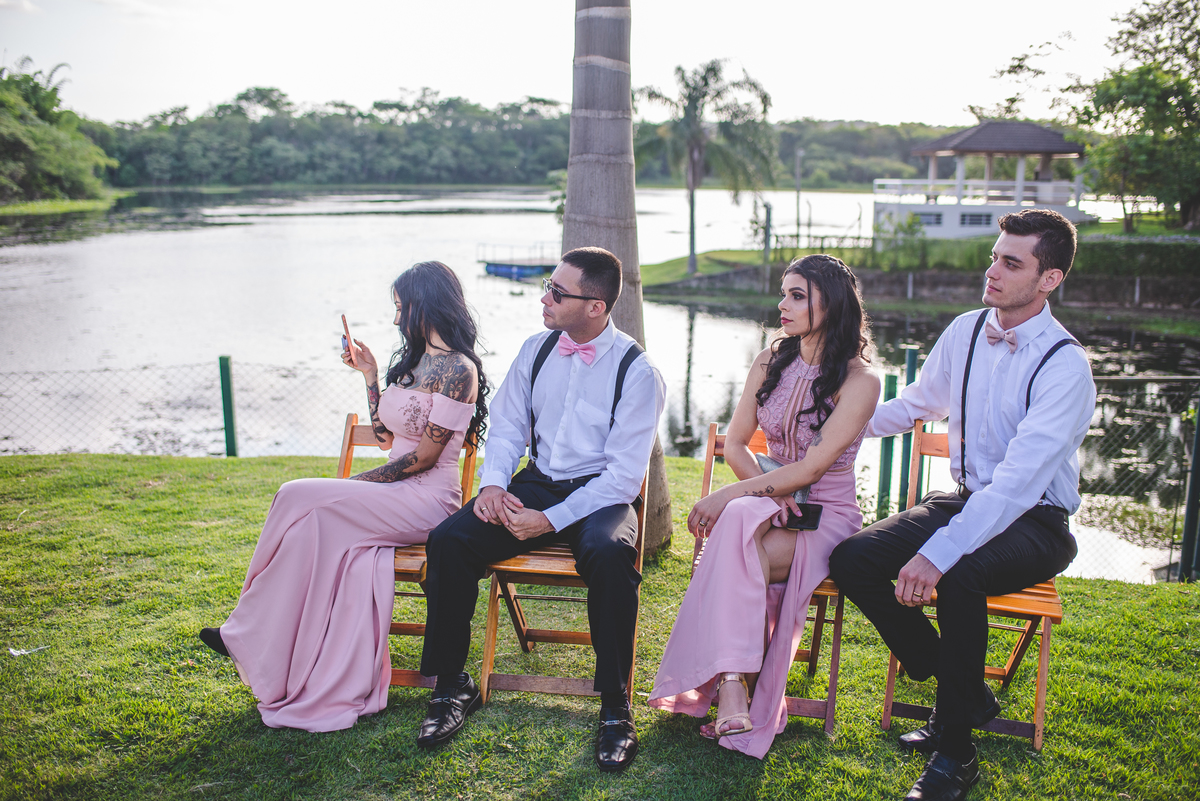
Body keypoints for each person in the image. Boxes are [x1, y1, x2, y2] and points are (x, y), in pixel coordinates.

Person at [829, 209, 1096, 801]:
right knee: (852, 559)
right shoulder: (967, 330)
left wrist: (937, 554)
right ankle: (964, 688)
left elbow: (1017, 487)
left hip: (1037, 522)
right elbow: (917, 404)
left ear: (1049, 279)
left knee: (960, 573)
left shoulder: (1065, 367)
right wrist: (836, 426)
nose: (992, 271)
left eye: (1011, 263)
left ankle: (955, 752)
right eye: (994, 256)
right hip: (967, 500)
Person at [198, 261, 488, 732]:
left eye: (401, 308)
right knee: (308, 523)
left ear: (425, 303)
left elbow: (424, 459)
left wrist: (355, 484)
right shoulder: (413, 364)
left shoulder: (459, 370)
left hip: (428, 501)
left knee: (295, 494)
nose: (396, 318)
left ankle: (245, 630)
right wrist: (370, 375)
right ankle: (250, 636)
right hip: (394, 492)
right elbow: (386, 437)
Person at [415, 246, 665, 771]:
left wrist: (549, 521)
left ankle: (615, 706)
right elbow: (508, 426)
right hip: (538, 481)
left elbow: (623, 477)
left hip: (601, 496)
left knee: (610, 555)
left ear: (595, 306)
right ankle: (453, 684)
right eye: (548, 286)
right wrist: (492, 486)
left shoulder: (638, 372)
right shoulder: (536, 349)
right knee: (450, 540)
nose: (544, 298)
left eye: (557, 292)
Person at [648, 254, 878, 758]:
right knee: (738, 523)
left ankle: (731, 685)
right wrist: (764, 494)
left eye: (797, 296)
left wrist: (729, 493)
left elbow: (811, 470)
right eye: (783, 294)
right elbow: (735, 445)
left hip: (825, 515)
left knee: (730, 536)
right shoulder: (769, 361)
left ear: (831, 304)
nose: (782, 305)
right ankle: (734, 684)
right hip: (767, 496)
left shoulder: (862, 381)